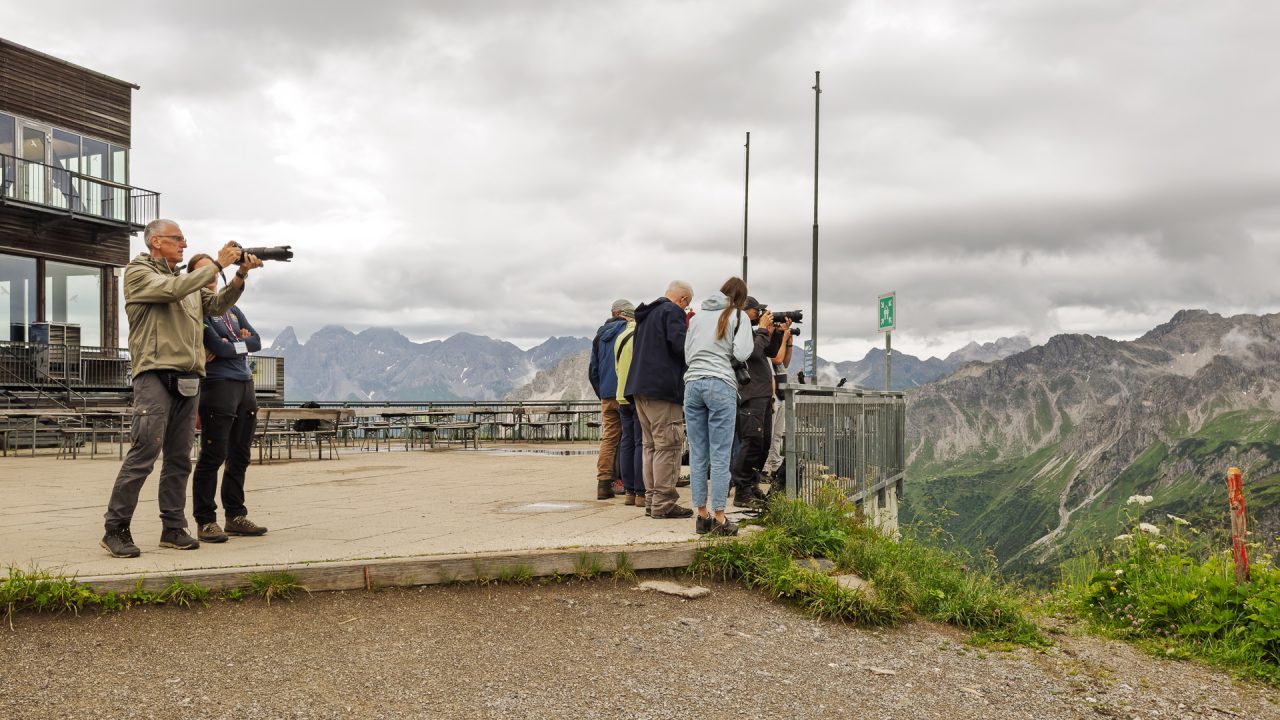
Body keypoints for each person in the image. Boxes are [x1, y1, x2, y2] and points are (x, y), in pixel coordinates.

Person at [100, 219, 261, 558]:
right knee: (145, 452)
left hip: (190, 378)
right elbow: (171, 290)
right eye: (178, 239)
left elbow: (217, 305)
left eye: (185, 239)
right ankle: (115, 528)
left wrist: (239, 276)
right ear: (156, 241)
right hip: (154, 375)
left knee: (179, 459)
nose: (184, 244)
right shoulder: (138, 272)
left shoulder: (183, 281)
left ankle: (173, 527)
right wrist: (217, 263)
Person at [188, 254, 268, 543]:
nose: (210, 277)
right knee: (213, 455)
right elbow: (215, 349)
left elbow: (257, 341)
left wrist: (232, 345)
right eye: (203, 272)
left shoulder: (232, 310)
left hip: (245, 385)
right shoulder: (197, 309)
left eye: (213, 272)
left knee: (240, 454)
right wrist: (239, 345)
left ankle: (235, 515)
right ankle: (205, 520)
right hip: (217, 385)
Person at [683, 277, 752, 535]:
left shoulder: (697, 317)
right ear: (740, 299)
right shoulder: (738, 316)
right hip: (720, 384)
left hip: (692, 385)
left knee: (698, 453)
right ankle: (721, 518)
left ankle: (702, 517)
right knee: (721, 454)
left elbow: (688, 355)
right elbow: (743, 353)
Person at [624, 280, 693, 519]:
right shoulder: (672, 311)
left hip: (639, 389)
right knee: (668, 446)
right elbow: (681, 347)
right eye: (686, 306)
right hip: (662, 390)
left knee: (650, 446)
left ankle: (652, 499)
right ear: (682, 300)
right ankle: (664, 503)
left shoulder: (645, 316)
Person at [730, 296, 785, 509]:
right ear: (745, 311)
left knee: (763, 444)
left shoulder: (753, 332)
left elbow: (769, 352)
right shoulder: (737, 330)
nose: (760, 315)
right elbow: (751, 353)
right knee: (751, 442)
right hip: (749, 394)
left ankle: (752, 486)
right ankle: (741, 490)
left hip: (762, 394)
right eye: (757, 311)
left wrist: (778, 332)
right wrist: (763, 329)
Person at [588, 299, 633, 500]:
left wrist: (603, 393)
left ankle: (603, 484)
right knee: (630, 437)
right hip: (626, 392)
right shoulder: (629, 331)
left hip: (607, 394)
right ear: (623, 314)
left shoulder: (599, 337)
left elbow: (593, 371)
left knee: (609, 438)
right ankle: (626, 483)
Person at [613, 305, 644, 506]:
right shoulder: (640, 337)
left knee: (626, 441)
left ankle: (629, 491)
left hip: (621, 394)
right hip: (637, 394)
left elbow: (617, 367)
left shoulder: (620, 338)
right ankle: (641, 492)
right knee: (641, 443)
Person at [762, 317, 796, 484]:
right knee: (768, 433)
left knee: (777, 434)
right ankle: (762, 467)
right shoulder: (766, 343)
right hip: (771, 391)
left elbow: (785, 362)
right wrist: (782, 338)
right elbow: (776, 358)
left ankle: (775, 464)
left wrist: (789, 342)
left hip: (781, 392)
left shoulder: (778, 342)